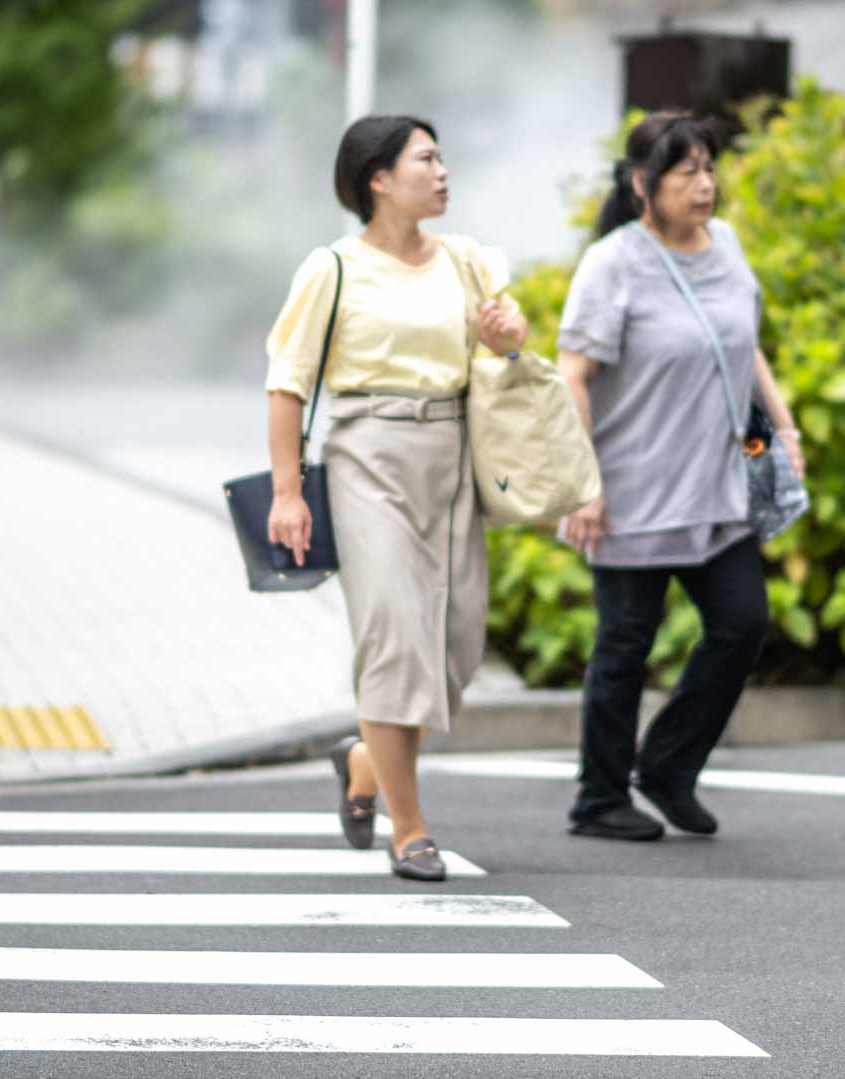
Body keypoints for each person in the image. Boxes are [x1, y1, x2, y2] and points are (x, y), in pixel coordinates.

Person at [265, 115, 527, 882]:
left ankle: (361, 759)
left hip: (451, 452)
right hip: (364, 456)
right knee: (393, 638)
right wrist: (288, 492)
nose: (443, 172)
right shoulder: (333, 268)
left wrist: (509, 336)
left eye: (443, 157)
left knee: (453, 647)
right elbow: (287, 383)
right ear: (378, 178)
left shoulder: (469, 262)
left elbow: (507, 354)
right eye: (426, 159)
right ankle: (408, 829)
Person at [554, 111, 805, 842]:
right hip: (632, 491)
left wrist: (782, 429)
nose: (705, 185)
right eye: (686, 171)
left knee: (742, 623)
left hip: (719, 484)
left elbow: (744, 347)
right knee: (625, 643)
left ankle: (665, 765)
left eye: (709, 168)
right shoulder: (612, 263)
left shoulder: (724, 245)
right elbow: (572, 374)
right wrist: (585, 483)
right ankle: (599, 797)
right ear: (642, 184)